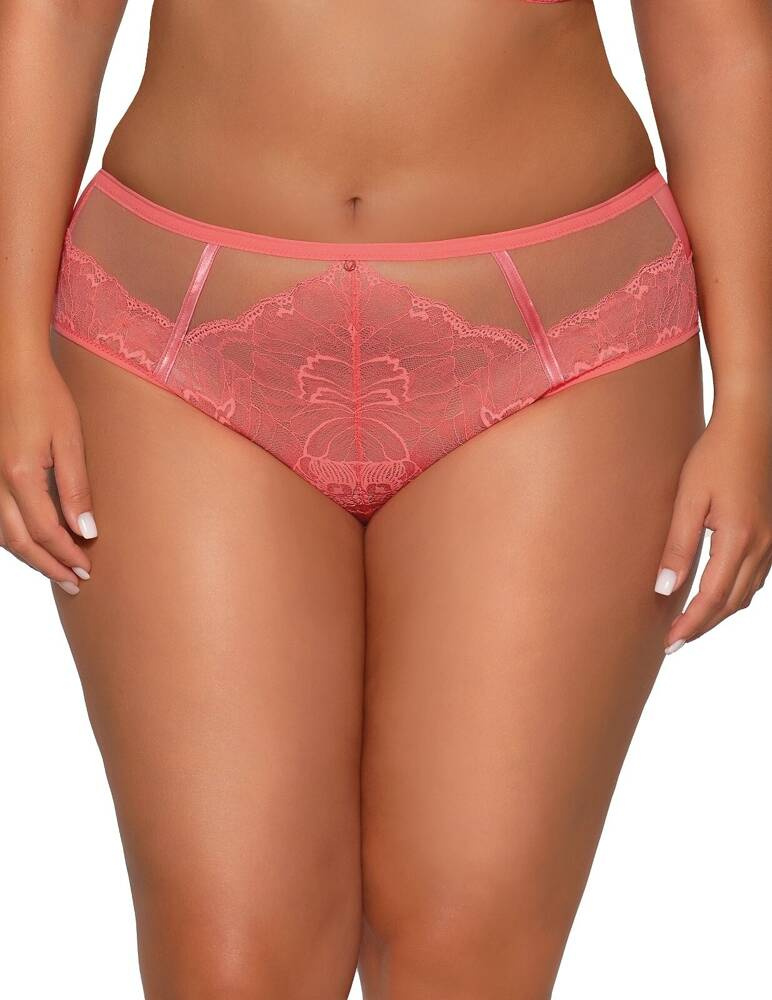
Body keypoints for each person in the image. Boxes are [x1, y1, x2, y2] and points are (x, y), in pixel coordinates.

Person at [1, 2, 769, 997]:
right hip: (170, 327)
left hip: (561, 335)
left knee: (468, 952)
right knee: (227, 963)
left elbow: (718, 38)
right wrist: (9, 352)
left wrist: (753, 393)